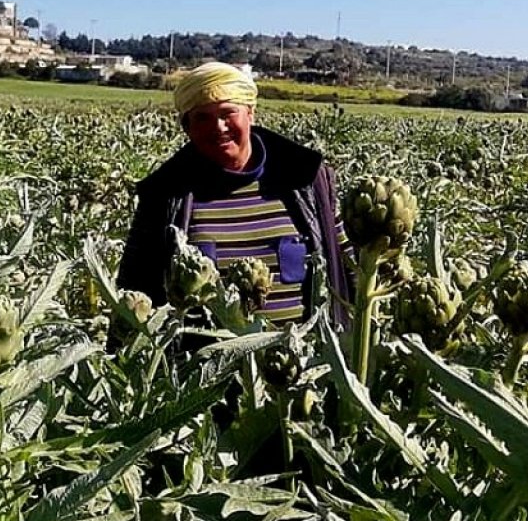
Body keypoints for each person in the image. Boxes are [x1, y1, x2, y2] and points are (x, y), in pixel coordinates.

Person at [116, 62, 351, 327]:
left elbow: (346, 261)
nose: (218, 126)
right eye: (202, 118)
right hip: (203, 364)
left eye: (228, 112)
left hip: (307, 363)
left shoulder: (307, 179)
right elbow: (134, 288)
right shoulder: (164, 194)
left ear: (250, 114)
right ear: (187, 128)